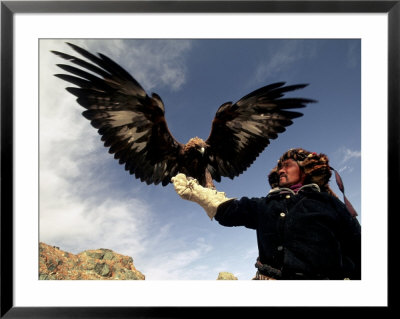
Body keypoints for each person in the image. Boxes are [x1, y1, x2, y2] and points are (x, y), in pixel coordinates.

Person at [171, 148, 361, 280]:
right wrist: (200, 194)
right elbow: (231, 212)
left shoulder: (328, 202)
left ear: (305, 169)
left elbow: (358, 246)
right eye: (279, 167)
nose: (281, 170)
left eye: (287, 165)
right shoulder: (266, 204)